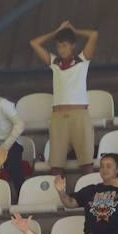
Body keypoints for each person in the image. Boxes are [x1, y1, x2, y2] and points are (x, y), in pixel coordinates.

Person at [29, 21, 98, 179]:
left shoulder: (82, 61)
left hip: (79, 115)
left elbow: (94, 34)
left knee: (87, 165)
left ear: (73, 45)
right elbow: (34, 43)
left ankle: (91, 198)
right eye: (59, 46)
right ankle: (60, 200)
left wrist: (75, 29)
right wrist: (56, 32)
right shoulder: (55, 63)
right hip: (58, 117)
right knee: (55, 166)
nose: (61, 50)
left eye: (65, 46)